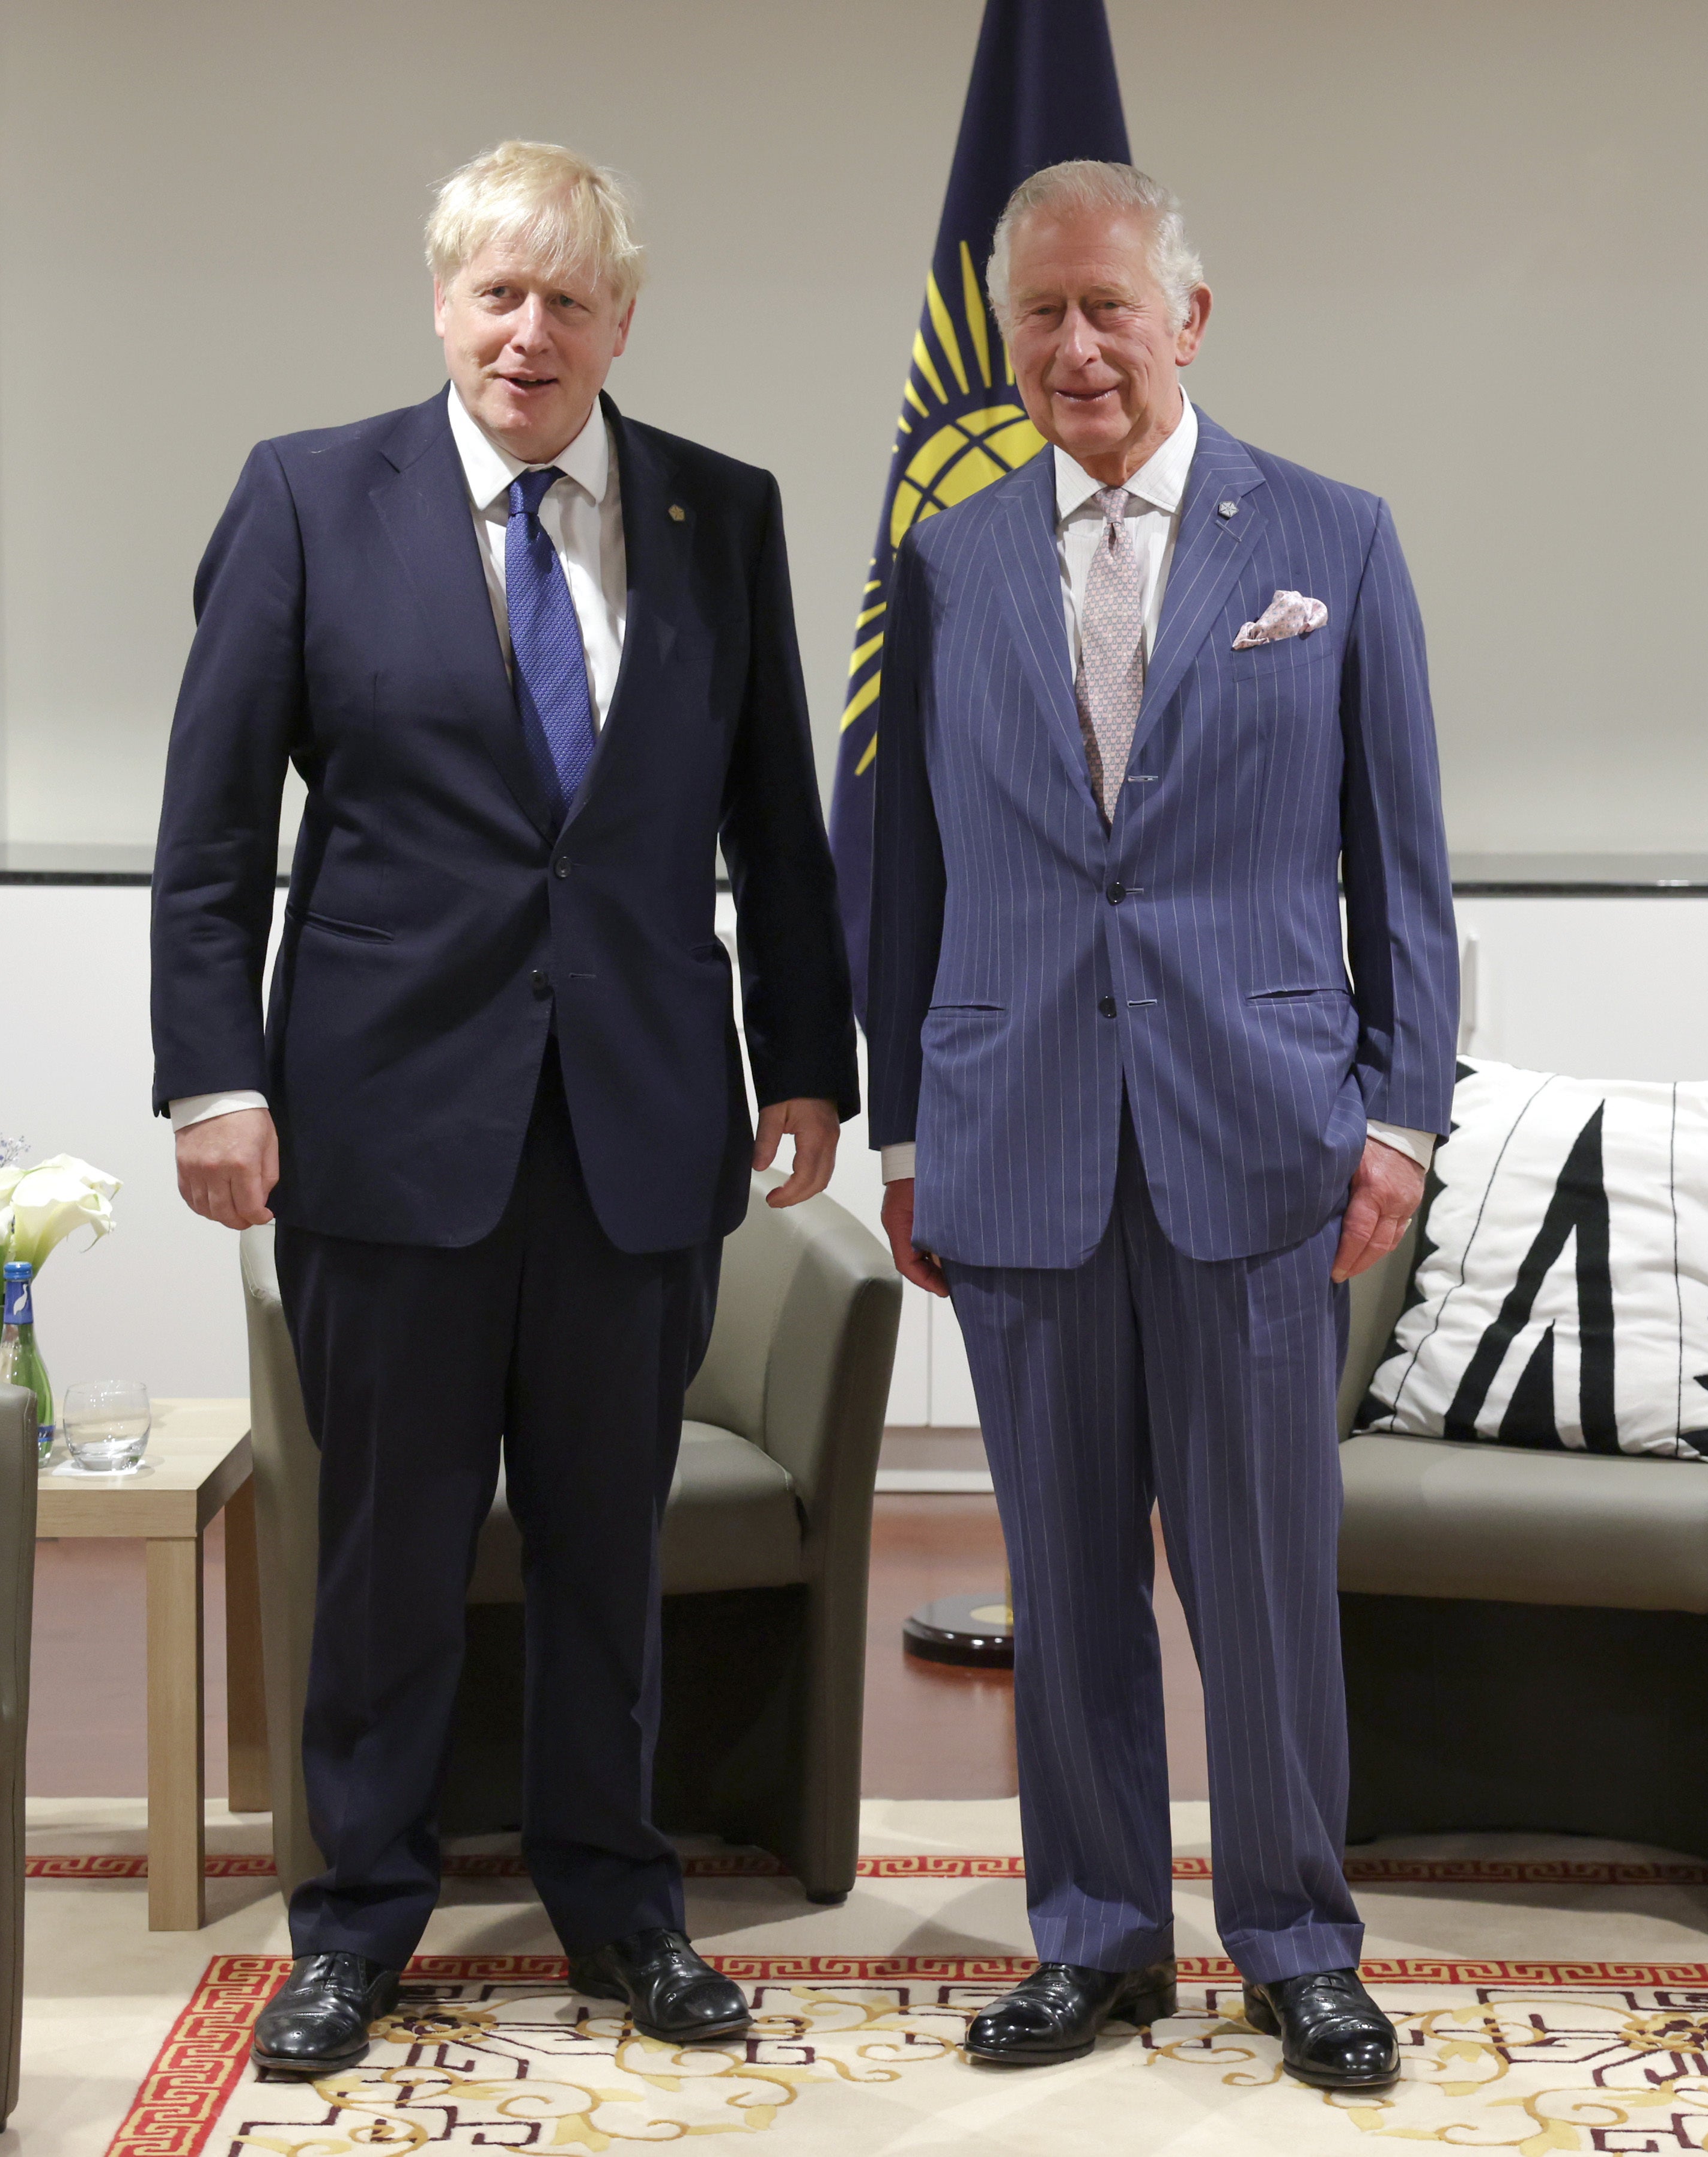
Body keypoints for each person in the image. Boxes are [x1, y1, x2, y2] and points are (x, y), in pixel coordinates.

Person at [150, 140, 856, 2078]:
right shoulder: (308, 499)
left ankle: (621, 1905)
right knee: (384, 1548)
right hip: (381, 1129)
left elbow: (771, 824)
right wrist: (214, 1077)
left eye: (568, 300)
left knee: (608, 1548)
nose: (527, 333)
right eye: (495, 293)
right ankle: (355, 1920)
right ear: (440, 301)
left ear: (622, 319)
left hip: (637, 1128)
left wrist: (807, 1059)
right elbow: (214, 832)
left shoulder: (723, 511)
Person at [863, 159, 1457, 2089]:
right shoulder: (944, 565)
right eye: (1039, 313)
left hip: (1261, 1136)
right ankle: (1098, 1937)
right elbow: (906, 869)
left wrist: (1403, 1118)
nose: (1074, 345)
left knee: (1263, 1573)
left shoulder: (1332, 539)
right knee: (1061, 1569)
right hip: (1015, 1125)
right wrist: (899, 1130)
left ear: (1186, 318)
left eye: (1109, 306)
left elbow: (1406, 870)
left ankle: (1295, 1939)